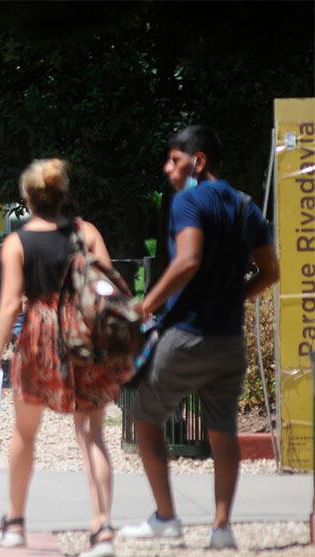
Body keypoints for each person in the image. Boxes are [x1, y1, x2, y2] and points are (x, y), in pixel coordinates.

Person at [120, 126, 279, 549]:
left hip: (187, 335)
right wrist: (234, 297)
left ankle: (166, 517)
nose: (167, 168)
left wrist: (147, 304)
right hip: (229, 340)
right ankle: (222, 527)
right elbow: (272, 271)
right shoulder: (245, 205)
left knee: (144, 416)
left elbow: (187, 260)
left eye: (175, 160)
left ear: (199, 161)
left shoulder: (188, 200)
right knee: (223, 431)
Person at [0, 159, 131, 557]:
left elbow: (12, 302)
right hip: (84, 336)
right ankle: (102, 530)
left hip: (39, 336)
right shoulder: (87, 233)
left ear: (27, 198)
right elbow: (106, 287)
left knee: (25, 433)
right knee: (92, 435)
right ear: (64, 195)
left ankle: (15, 522)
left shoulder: (17, 243)